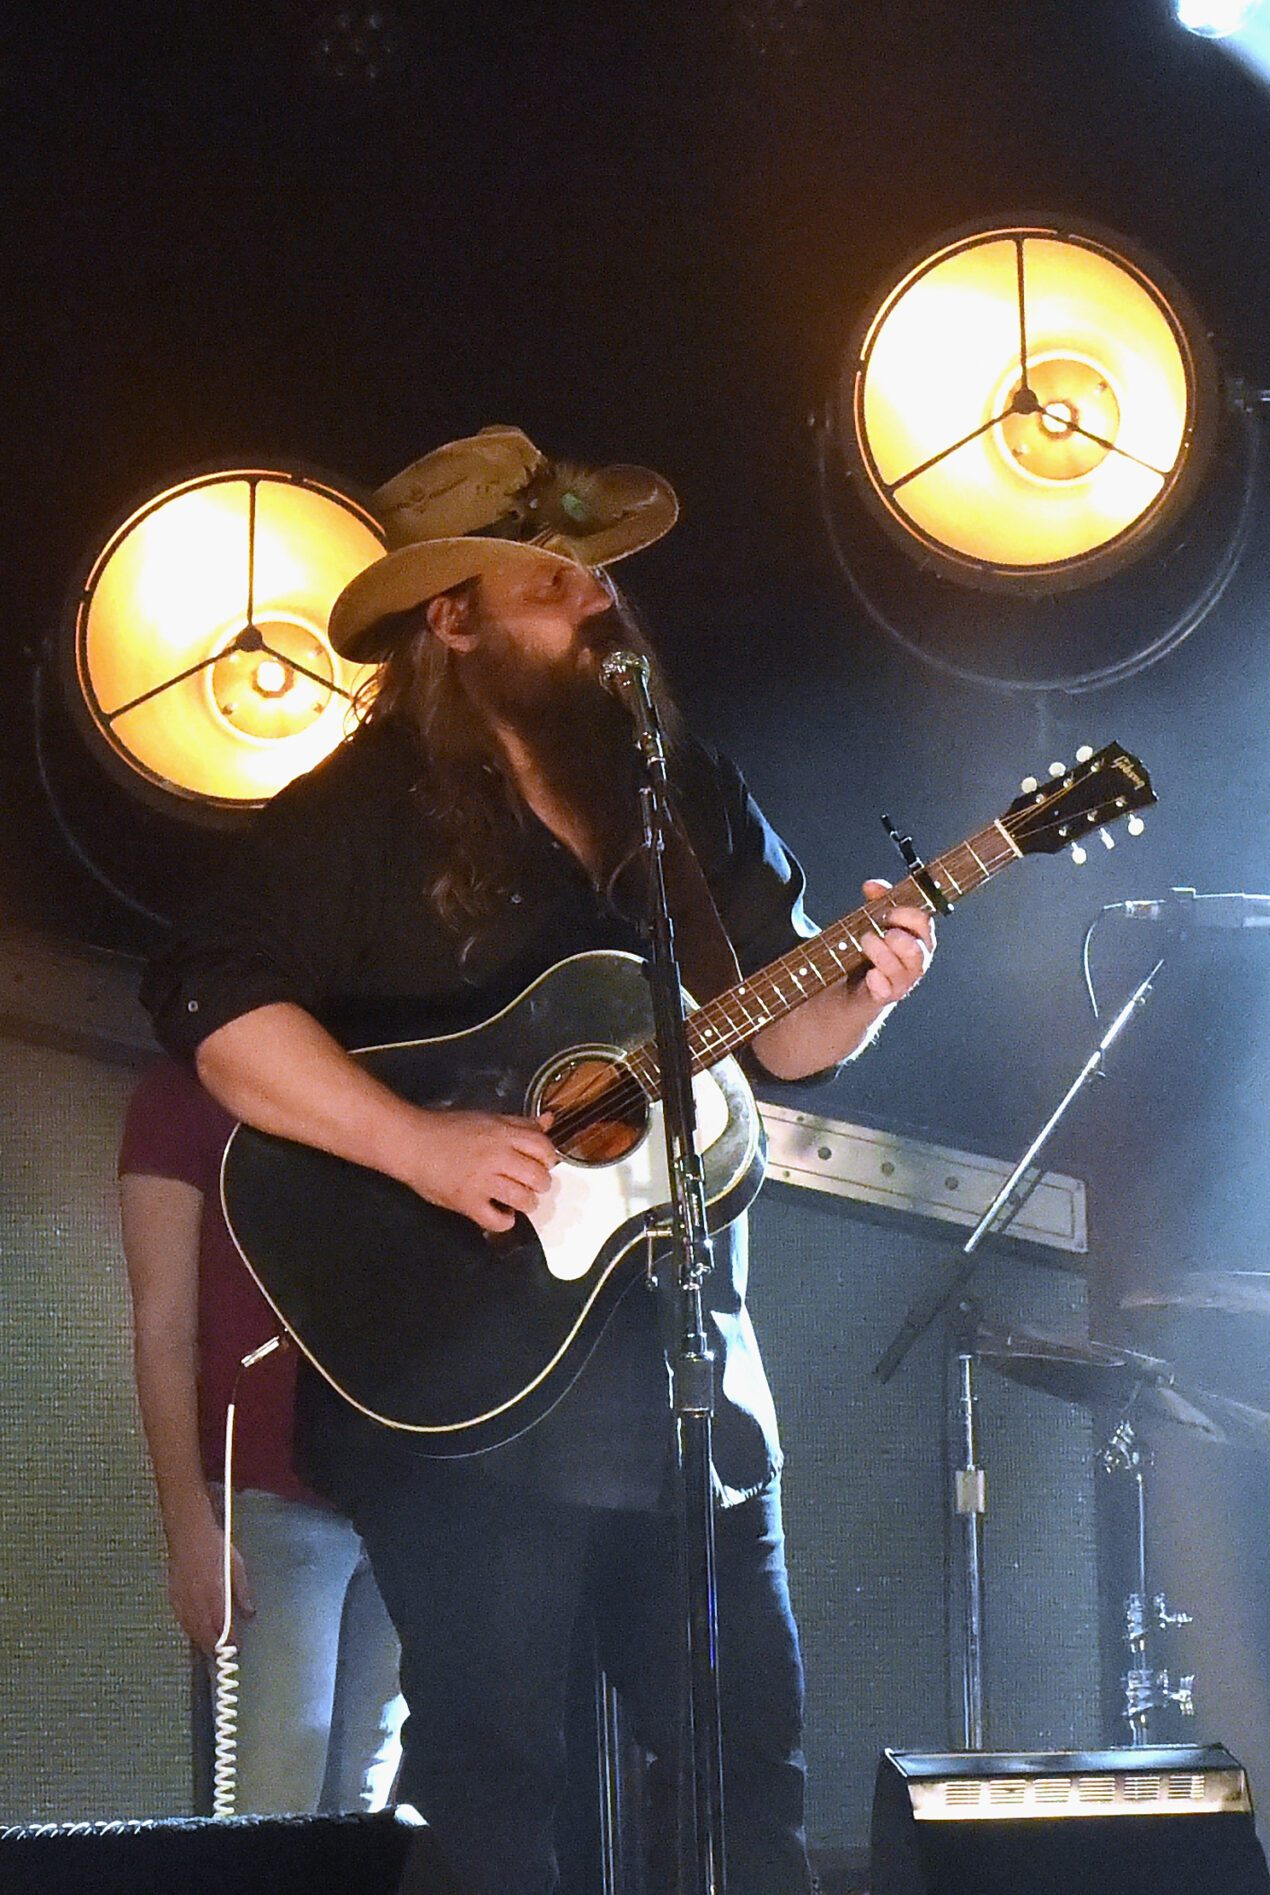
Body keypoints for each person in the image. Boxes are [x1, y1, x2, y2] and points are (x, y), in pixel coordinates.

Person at [143, 425, 935, 1895]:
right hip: (465, 1391)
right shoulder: (359, 813)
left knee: (747, 1773)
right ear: (452, 618)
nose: (599, 601)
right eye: (555, 578)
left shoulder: (681, 791)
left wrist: (873, 982)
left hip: (687, 1384)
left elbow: (786, 1038)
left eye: (601, 576)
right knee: (503, 1794)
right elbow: (215, 1011)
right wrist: (423, 1144)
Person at [120, 1054, 403, 1814]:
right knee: (271, 1803)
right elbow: (163, 1325)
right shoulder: (179, 1094)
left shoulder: (379, 1074)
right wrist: (188, 1520)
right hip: (266, 1504)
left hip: (398, 1498)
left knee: (364, 1807)